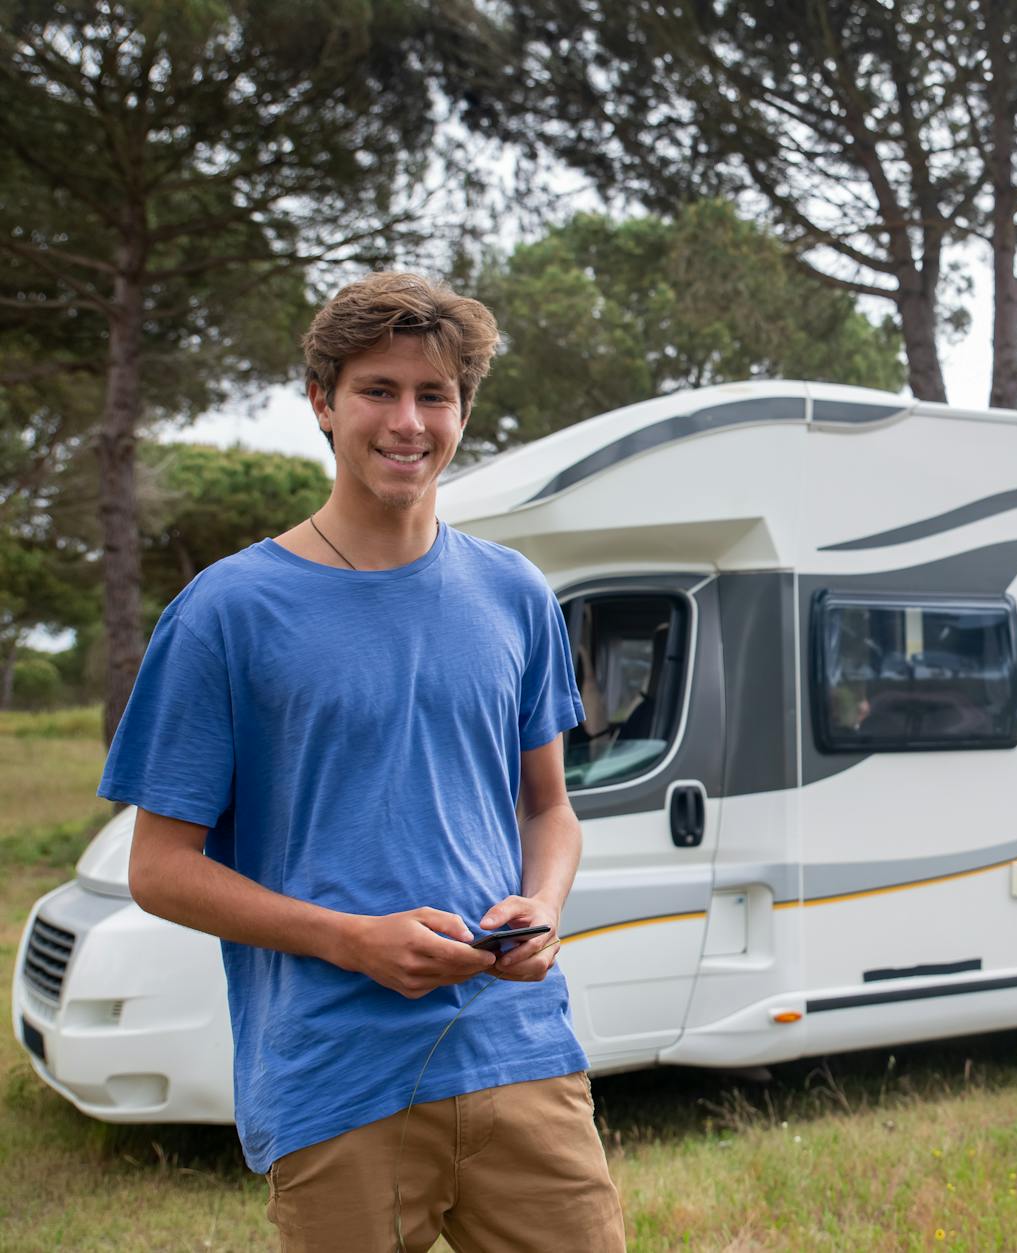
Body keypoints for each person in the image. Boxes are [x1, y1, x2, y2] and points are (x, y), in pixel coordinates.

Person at [100, 272, 627, 1251]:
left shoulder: (513, 592)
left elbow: (547, 810)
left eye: (434, 394)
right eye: (377, 389)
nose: (407, 421)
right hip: (336, 1078)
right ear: (322, 402)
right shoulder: (225, 612)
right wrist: (352, 940)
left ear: (464, 410)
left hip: (519, 1055)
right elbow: (158, 867)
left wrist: (544, 905)